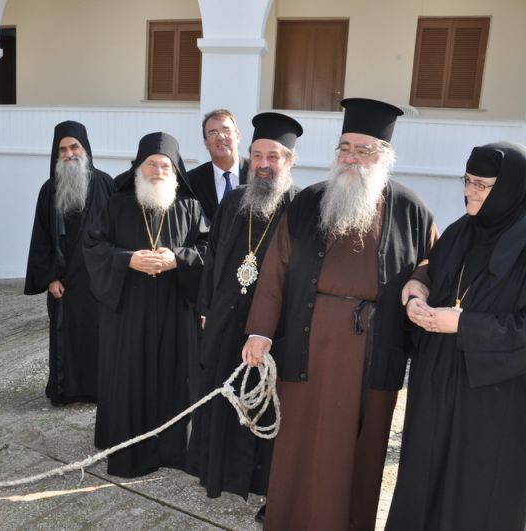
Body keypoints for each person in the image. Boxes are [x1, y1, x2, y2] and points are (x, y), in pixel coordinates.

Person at [241, 98, 438, 531]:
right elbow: (273, 271)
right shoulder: (308, 203)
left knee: (359, 452)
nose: (350, 157)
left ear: (383, 157)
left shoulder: (412, 210)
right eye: (344, 147)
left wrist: (420, 283)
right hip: (309, 345)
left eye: (363, 150)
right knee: (300, 446)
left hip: (373, 351)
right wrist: (259, 331)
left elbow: (432, 264)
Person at [386, 142, 526, 531]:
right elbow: (434, 266)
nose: (469, 192)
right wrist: (417, 288)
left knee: (478, 491)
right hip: (436, 384)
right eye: (467, 181)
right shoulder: (462, 229)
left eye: (483, 186)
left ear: (511, 189)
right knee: (424, 479)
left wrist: (463, 324)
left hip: (493, 400)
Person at [186, 112, 302, 521]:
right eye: (257, 154)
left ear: (289, 160)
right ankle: (219, 474)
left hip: (273, 328)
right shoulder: (235, 200)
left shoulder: (301, 207)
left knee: (264, 404)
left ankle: (259, 482)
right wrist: (205, 310)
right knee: (222, 396)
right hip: (225, 318)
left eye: (273, 155)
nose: (264, 163)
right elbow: (213, 258)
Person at [83, 132, 208, 478]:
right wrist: (127, 260)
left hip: (173, 310)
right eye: (150, 164)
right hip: (128, 313)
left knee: (175, 377)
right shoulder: (116, 204)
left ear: (175, 170)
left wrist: (177, 259)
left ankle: (174, 450)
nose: (157, 171)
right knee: (128, 377)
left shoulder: (191, 208)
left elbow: (210, 251)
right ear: (138, 167)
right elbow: (92, 248)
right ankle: (130, 452)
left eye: (164, 165)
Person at [24, 121, 114, 405]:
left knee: (100, 338)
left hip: (98, 282)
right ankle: (67, 390)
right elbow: (42, 238)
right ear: (56, 153)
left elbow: (117, 234)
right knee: (67, 338)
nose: (69, 153)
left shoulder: (106, 184)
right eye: (62, 149)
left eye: (74, 146)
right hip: (64, 283)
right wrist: (50, 277)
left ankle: (100, 390)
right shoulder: (49, 190)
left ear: (85, 148)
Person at [188, 109, 249, 222]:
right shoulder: (192, 181)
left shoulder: (256, 173)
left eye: (226, 130)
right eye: (213, 132)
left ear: (238, 136)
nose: (221, 137)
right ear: (205, 142)